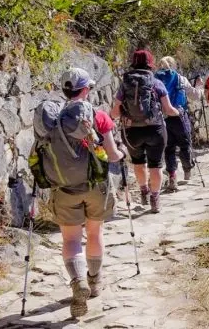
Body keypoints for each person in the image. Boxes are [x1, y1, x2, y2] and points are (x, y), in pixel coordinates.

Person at [32, 68, 125, 318]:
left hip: (63, 188)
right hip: (96, 185)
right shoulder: (98, 117)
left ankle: (77, 283)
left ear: (64, 90)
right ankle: (94, 281)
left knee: (71, 240)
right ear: (86, 90)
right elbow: (113, 155)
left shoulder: (49, 121)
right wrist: (122, 155)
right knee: (95, 232)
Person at [111, 50, 179, 213]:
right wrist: (178, 112)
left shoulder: (125, 84)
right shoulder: (156, 83)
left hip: (131, 131)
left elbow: (114, 112)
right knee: (156, 166)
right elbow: (168, 110)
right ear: (150, 64)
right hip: (155, 130)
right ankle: (155, 199)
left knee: (138, 163)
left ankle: (144, 192)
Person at [154, 56, 198, 191]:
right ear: (173, 65)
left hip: (162, 118)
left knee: (169, 148)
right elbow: (194, 95)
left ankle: (172, 177)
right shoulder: (180, 78)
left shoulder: (154, 80)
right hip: (179, 115)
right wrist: (199, 87)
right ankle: (187, 171)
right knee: (185, 144)